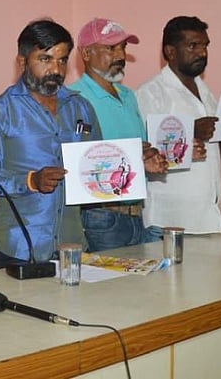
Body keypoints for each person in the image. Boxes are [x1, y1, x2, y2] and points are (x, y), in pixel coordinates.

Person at [0, 19, 101, 267]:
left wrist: (133, 163)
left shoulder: (81, 108)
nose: (56, 69)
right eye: (45, 59)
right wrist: (31, 181)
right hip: (21, 249)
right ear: (22, 61)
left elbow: (97, 164)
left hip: (73, 246)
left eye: (62, 60)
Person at [136, 16, 221, 234]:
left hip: (207, 216)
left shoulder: (205, 92)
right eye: (193, 46)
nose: (202, 53)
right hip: (169, 219)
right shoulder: (150, 94)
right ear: (170, 51)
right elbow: (147, 157)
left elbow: (213, 153)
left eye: (205, 46)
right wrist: (190, 131)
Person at [69, 18, 167, 251]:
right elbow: (76, 164)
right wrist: (130, 158)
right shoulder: (72, 99)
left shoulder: (128, 96)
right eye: (111, 48)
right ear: (86, 53)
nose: (120, 55)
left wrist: (148, 160)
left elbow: (135, 153)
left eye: (123, 47)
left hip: (137, 214)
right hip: (100, 217)